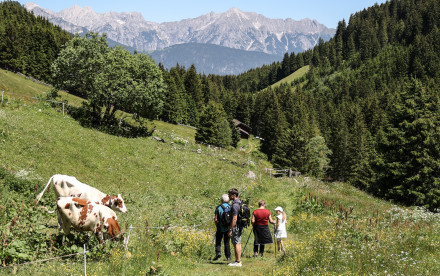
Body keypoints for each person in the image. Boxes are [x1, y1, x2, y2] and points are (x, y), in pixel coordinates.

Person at [213, 194, 231, 261]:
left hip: (220, 227)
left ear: (221, 200)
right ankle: (228, 256)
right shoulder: (230, 207)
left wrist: (217, 225)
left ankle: (218, 253)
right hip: (228, 228)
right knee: (227, 242)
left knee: (218, 241)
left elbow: (215, 219)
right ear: (228, 200)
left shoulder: (218, 207)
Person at [227, 188, 243, 267]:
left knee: (236, 243)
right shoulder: (239, 202)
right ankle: (238, 260)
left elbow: (234, 218)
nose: (228, 196)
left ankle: (238, 262)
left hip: (235, 226)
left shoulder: (235, 205)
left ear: (234, 195)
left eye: (229, 194)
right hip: (239, 226)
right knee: (238, 243)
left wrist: (230, 229)